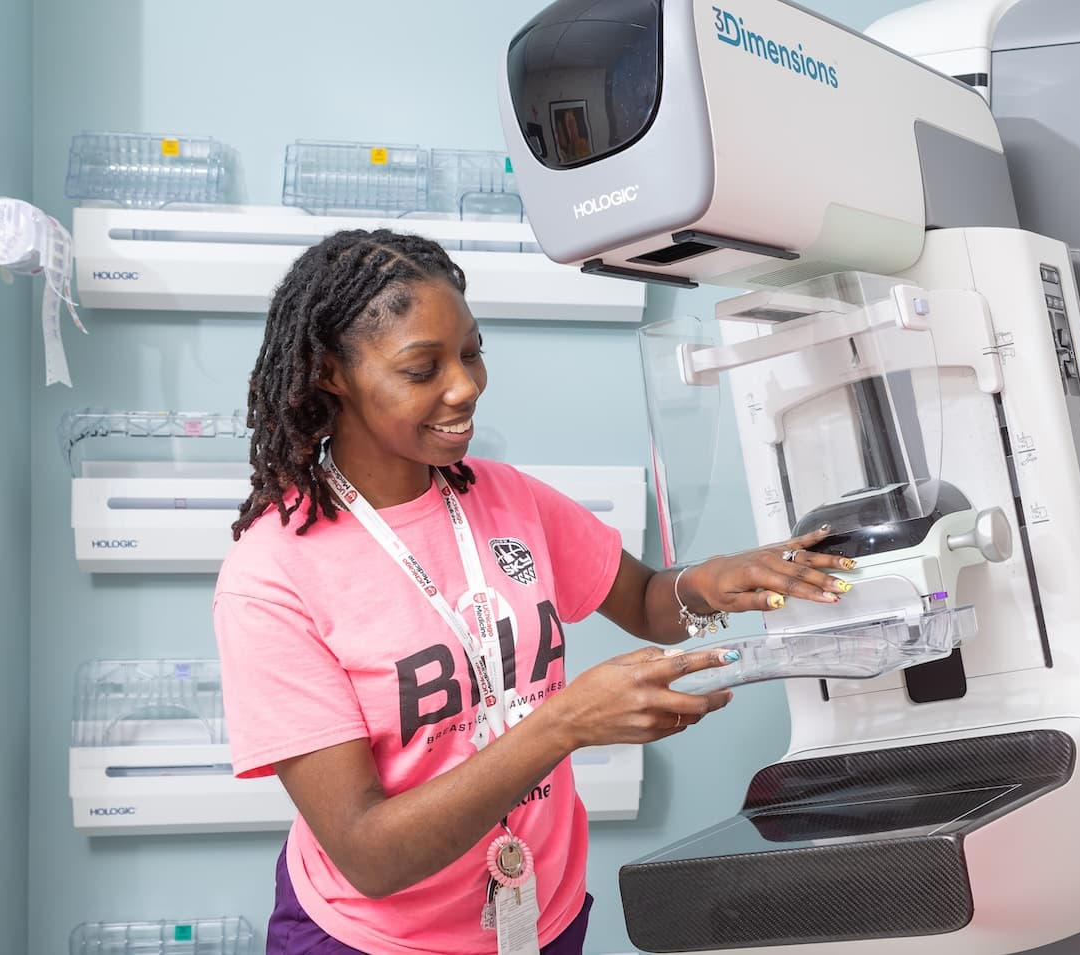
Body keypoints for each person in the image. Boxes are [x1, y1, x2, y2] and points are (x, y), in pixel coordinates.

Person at [213, 228, 853, 955]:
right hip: (373, 939)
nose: (465, 386)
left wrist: (716, 583)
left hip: (534, 921)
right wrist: (563, 723)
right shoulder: (272, 576)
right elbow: (369, 853)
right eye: (422, 368)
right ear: (332, 372)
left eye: (472, 352)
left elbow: (647, 602)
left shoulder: (506, 498)